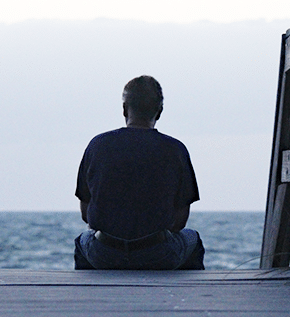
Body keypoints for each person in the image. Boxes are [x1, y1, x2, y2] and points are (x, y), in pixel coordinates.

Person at [73, 75, 205, 270]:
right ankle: (184, 297)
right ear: (159, 112)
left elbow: (86, 215)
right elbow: (180, 222)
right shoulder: (175, 150)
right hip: (158, 255)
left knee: (83, 240)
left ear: (125, 108)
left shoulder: (97, 146)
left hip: (105, 254)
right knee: (193, 239)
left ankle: (90, 295)